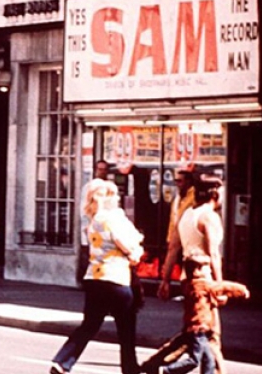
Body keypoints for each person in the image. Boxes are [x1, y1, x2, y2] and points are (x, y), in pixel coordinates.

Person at [50, 180, 144, 374]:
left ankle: (63, 361)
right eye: (110, 194)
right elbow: (125, 244)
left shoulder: (93, 220)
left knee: (90, 324)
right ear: (102, 198)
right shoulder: (109, 219)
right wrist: (134, 253)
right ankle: (129, 368)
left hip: (94, 278)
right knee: (126, 327)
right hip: (116, 277)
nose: (115, 198)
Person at [141, 172, 228, 374]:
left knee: (196, 332)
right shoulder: (209, 217)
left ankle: (154, 366)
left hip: (187, 280)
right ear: (215, 194)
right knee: (209, 333)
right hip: (204, 280)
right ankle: (166, 369)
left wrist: (165, 280)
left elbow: (173, 248)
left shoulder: (187, 214)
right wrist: (220, 286)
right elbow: (214, 253)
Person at [156, 259, 250, 374]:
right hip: (199, 329)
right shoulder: (203, 285)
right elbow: (224, 286)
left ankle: (155, 366)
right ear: (197, 271)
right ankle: (167, 371)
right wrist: (243, 290)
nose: (210, 271)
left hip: (195, 328)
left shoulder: (188, 284)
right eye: (207, 268)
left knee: (209, 359)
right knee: (194, 360)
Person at [156, 167, 196, 299]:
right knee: (180, 264)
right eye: (176, 181)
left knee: (189, 266)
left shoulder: (194, 196)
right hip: (176, 236)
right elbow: (173, 218)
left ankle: (188, 290)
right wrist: (170, 236)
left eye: (181, 181)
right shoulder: (178, 197)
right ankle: (176, 288)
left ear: (189, 181)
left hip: (190, 237)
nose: (178, 184)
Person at [76, 160, 110, 284]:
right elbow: (84, 210)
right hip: (91, 227)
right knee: (89, 253)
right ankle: (85, 280)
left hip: (102, 228)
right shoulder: (89, 187)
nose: (102, 172)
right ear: (95, 170)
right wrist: (88, 226)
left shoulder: (107, 186)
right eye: (100, 169)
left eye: (104, 169)